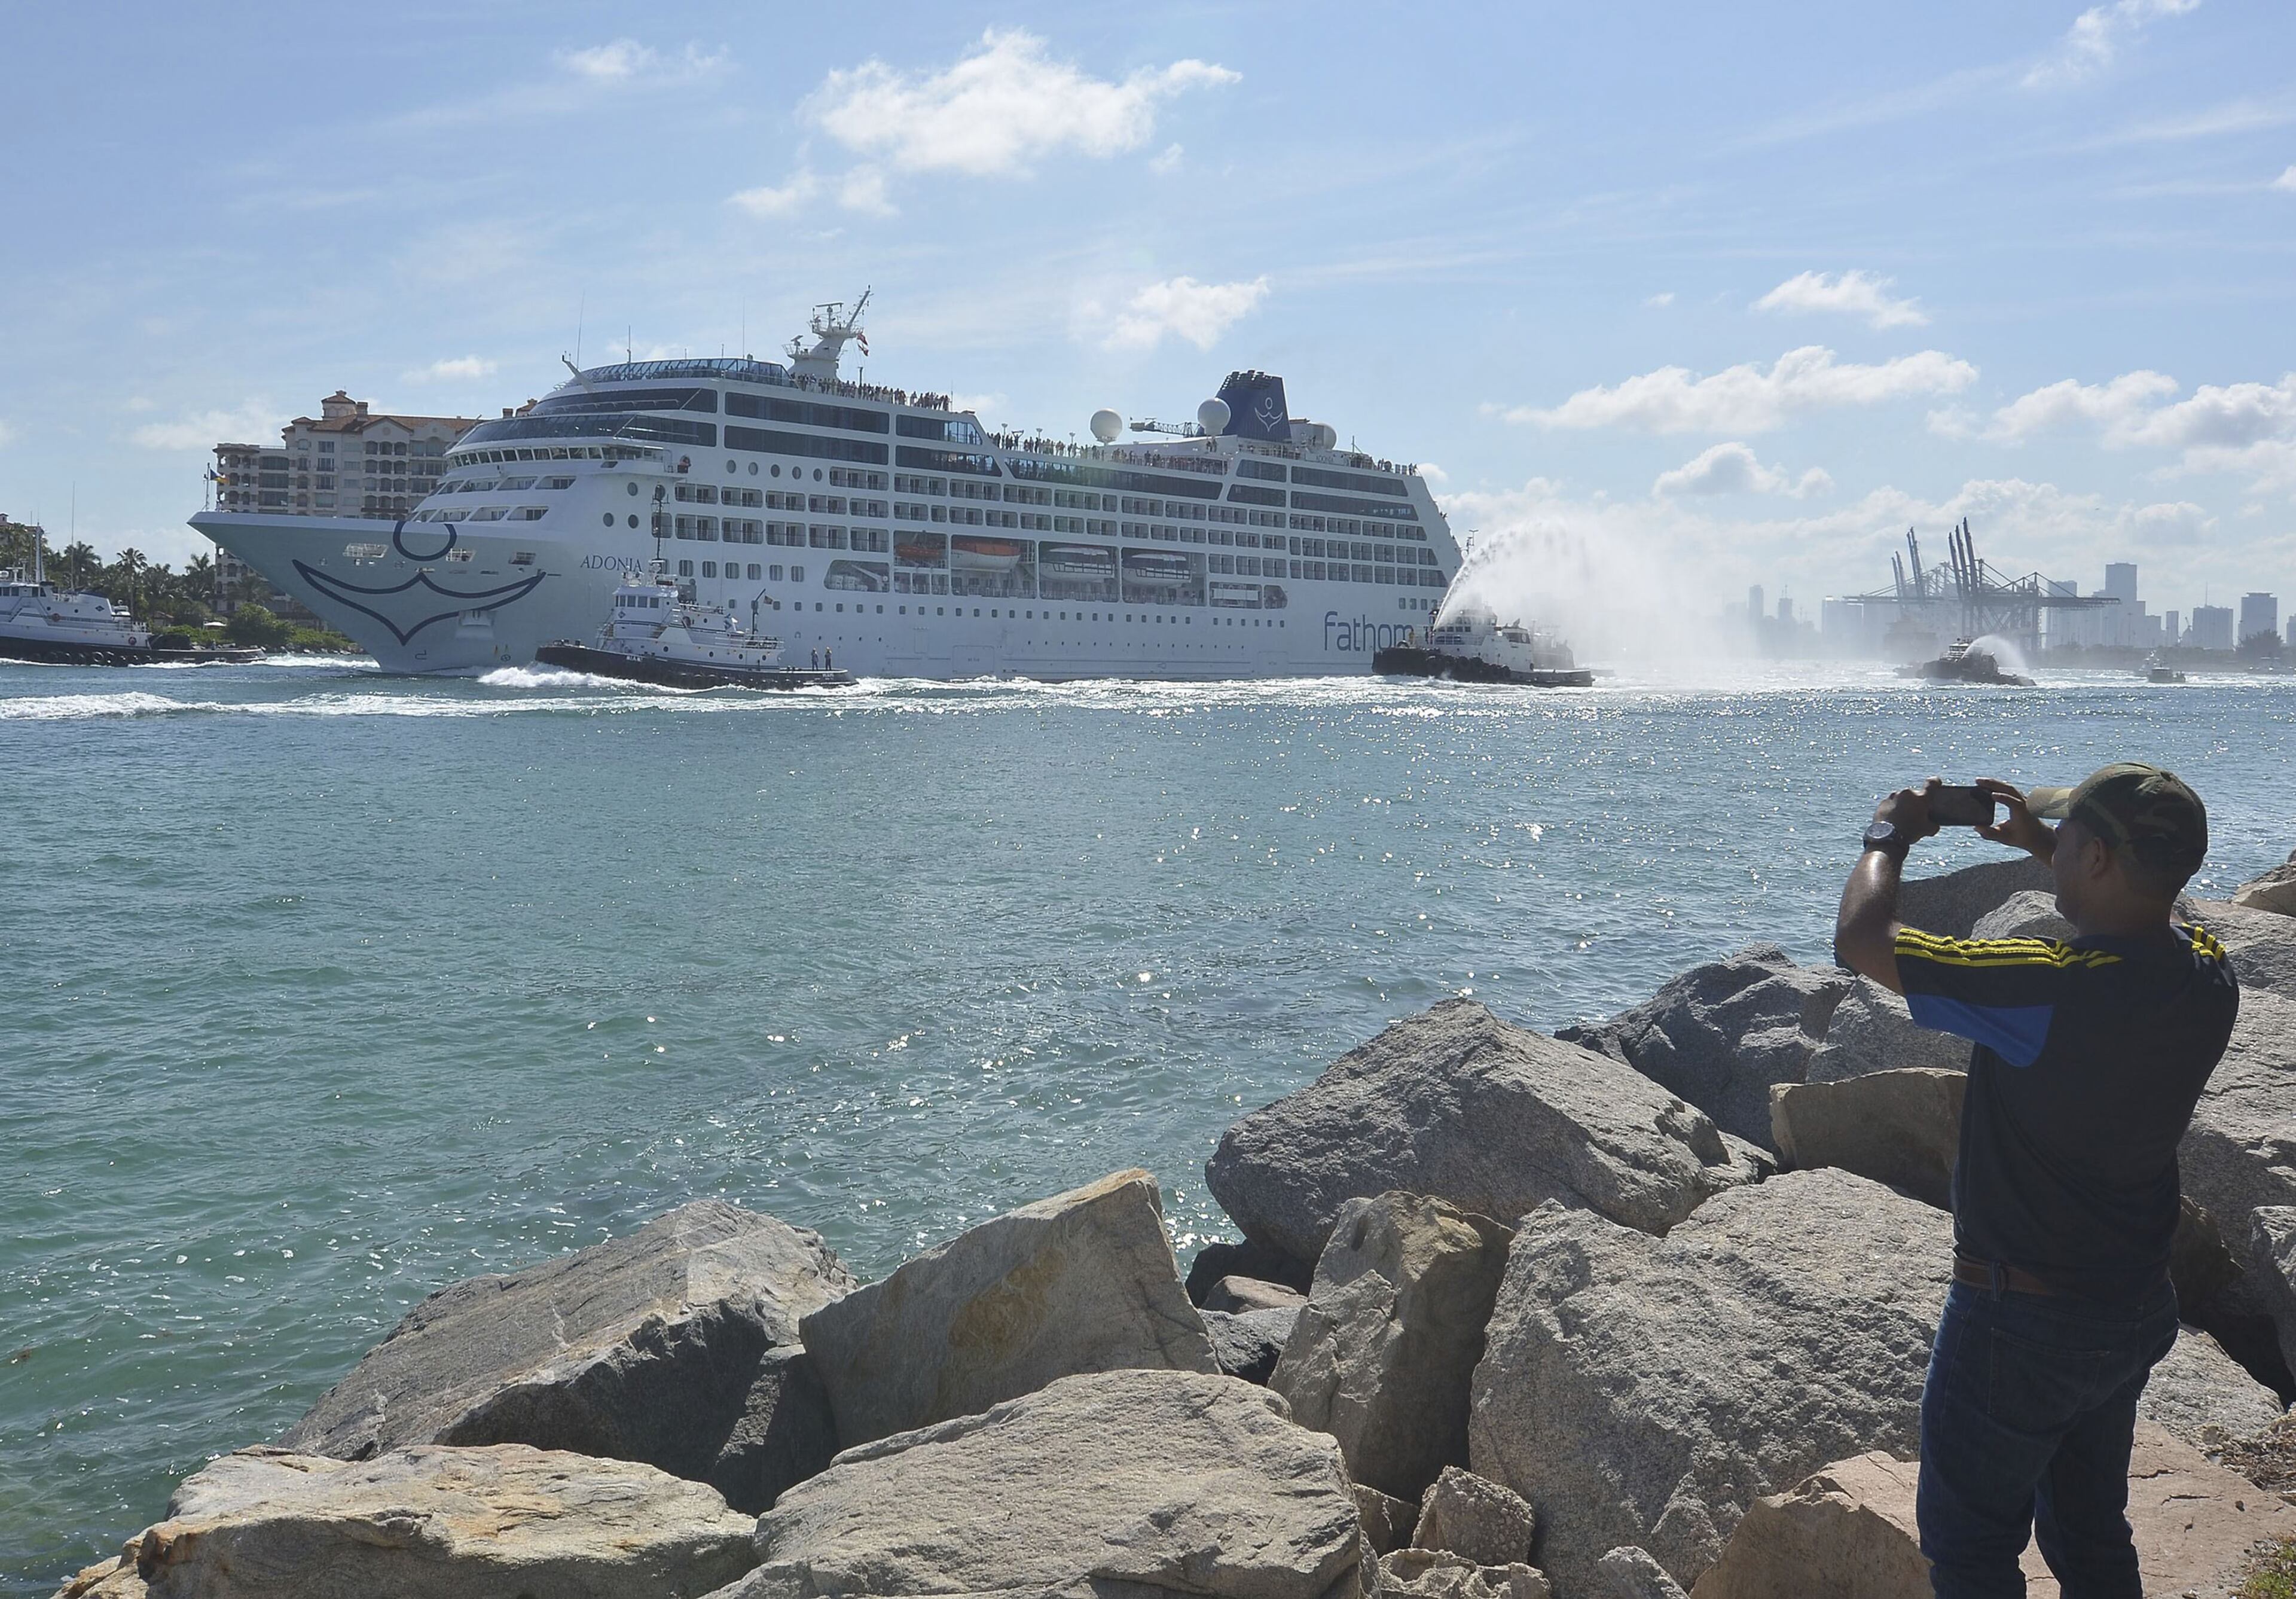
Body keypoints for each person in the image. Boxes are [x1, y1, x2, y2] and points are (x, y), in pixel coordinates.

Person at [1833, 765, 2236, 1599]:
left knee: (1970, 1548)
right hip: (2127, 1304)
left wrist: (1889, 833)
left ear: (2094, 858)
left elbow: (1865, 941)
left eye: (2068, 844)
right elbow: (2142, 904)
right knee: (2090, 1532)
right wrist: (2042, 841)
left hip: (2018, 1322)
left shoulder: (2045, 987)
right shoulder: (2208, 975)